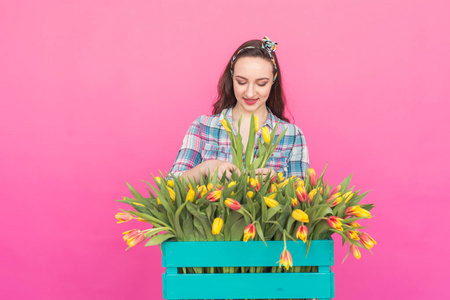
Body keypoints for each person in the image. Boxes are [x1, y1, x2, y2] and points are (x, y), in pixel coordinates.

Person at [169, 36, 309, 183]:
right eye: (241, 82)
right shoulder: (203, 127)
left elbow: (304, 198)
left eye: (261, 84)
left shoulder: (292, 135)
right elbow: (170, 186)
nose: (249, 93)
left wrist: (278, 181)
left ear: (273, 80)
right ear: (231, 77)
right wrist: (205, 168)